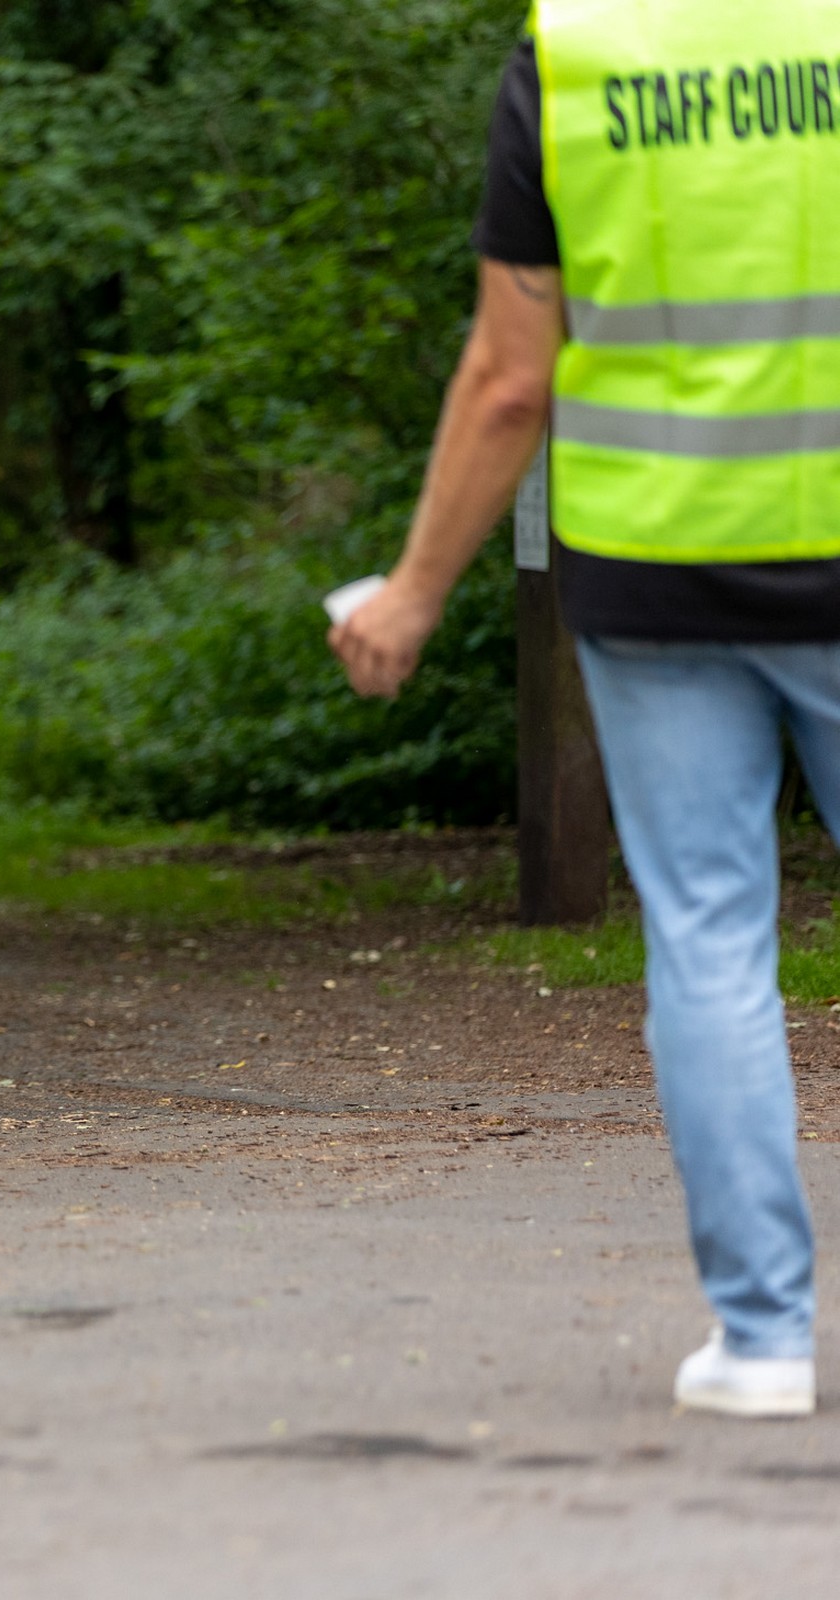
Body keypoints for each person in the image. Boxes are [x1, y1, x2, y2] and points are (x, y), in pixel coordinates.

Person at [331, 8, 840, 1420]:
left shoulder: (573, 54)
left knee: (710, 941)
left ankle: (763, 1339)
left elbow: (510, 376)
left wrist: (414, 592)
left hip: (659, 567)